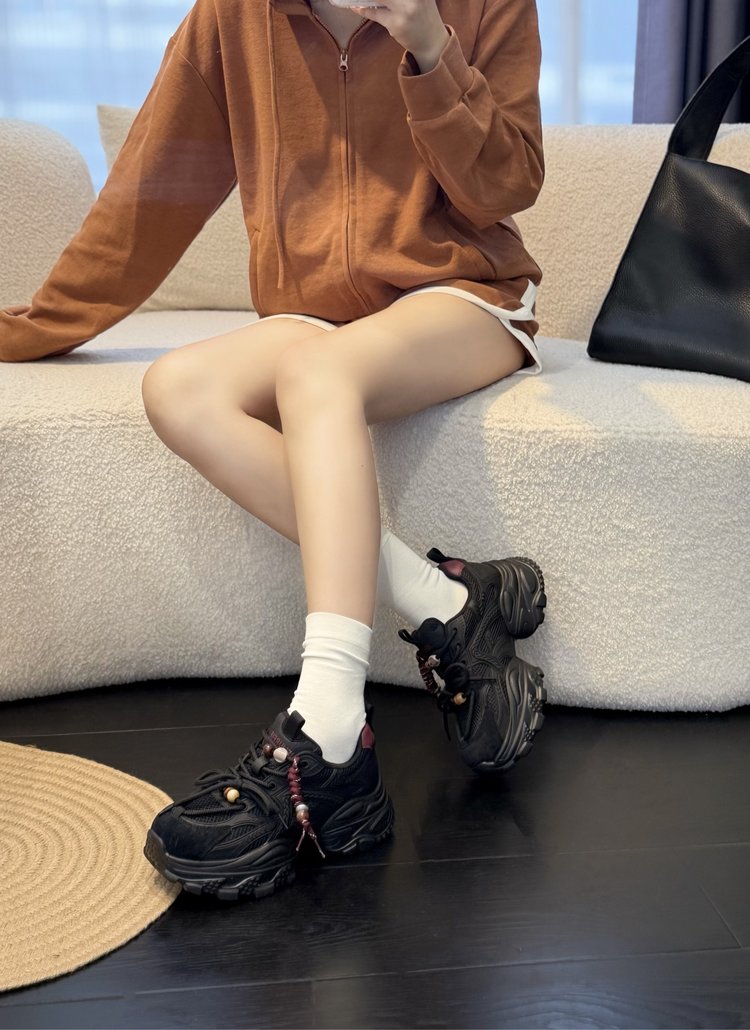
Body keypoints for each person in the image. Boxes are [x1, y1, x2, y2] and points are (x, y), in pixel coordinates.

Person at [0, 0, 548, 901]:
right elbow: (148, 194)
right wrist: (32, 328)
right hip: (315, 315)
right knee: (178, 388)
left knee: (316, 375)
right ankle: (447, 600)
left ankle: (330, 731)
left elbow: (506, 188)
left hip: (464, 298)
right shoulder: (234, 15)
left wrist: (428, 45)